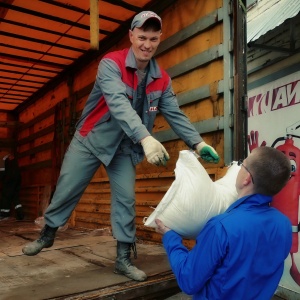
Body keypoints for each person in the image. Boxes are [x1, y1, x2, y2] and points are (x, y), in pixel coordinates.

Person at [22, 11, 220, 282]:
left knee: (126, 200)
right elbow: (117, 103)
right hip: (91, 138)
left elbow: (175, 114)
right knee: (68, 187)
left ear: (160, 39)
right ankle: (48, 234)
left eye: (153, 38)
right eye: (141, 37)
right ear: (131, 36)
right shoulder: (110, 64)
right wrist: (146, 138)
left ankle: (123, 259)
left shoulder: (162, 78)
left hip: (124, 147)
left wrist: (197, 143)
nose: (146, 44)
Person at [156, 146, 292, 299]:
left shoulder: (221, 227)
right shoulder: (284, 224)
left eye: (242, 164)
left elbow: (188, 280)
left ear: (246, 178)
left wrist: (170, 237)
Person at [0, 153, 24, 220]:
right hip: (17, 180)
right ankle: (20, 214)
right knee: (15, 197)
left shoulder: (1, 158)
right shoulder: (8, 156)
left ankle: (4, 214)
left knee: (5, 196)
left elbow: (1, 173)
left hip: (9, 180)